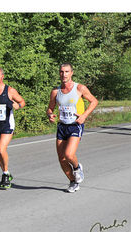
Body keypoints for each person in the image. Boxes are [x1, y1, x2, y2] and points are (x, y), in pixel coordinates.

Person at [46, 63, 98, 193]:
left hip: (75, 125)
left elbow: (94, 101)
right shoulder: (55, 92)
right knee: (61, 159)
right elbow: (50, 108)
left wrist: (84, 116)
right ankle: (73, 181)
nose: (64, 74)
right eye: (62, 72)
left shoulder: (79, 88)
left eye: (67, 72)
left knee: (69, 154)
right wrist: (50, 115)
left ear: (71, 73)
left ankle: (76, 168)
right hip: (62, 126)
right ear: (59, 73)